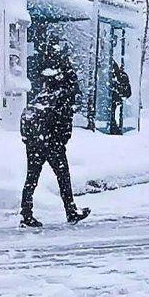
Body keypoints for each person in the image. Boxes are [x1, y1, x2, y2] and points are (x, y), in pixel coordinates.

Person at [19, 54, 90, 228]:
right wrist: (60, 139)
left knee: (31, 177)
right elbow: (62, 122)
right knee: (63, 177)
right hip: (52, 143)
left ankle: (26, 213)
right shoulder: (63, 95)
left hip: (36, 142)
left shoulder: (45, 93)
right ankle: (71, 210)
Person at [109, 62, 132, 135]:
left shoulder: (118, 76)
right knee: (115, 114)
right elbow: (128, 91)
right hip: (117, 99)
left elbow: (127, 91)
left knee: (115, 114)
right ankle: (116, 128)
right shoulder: (122, 75)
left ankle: (115, 128)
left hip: (116, 99)